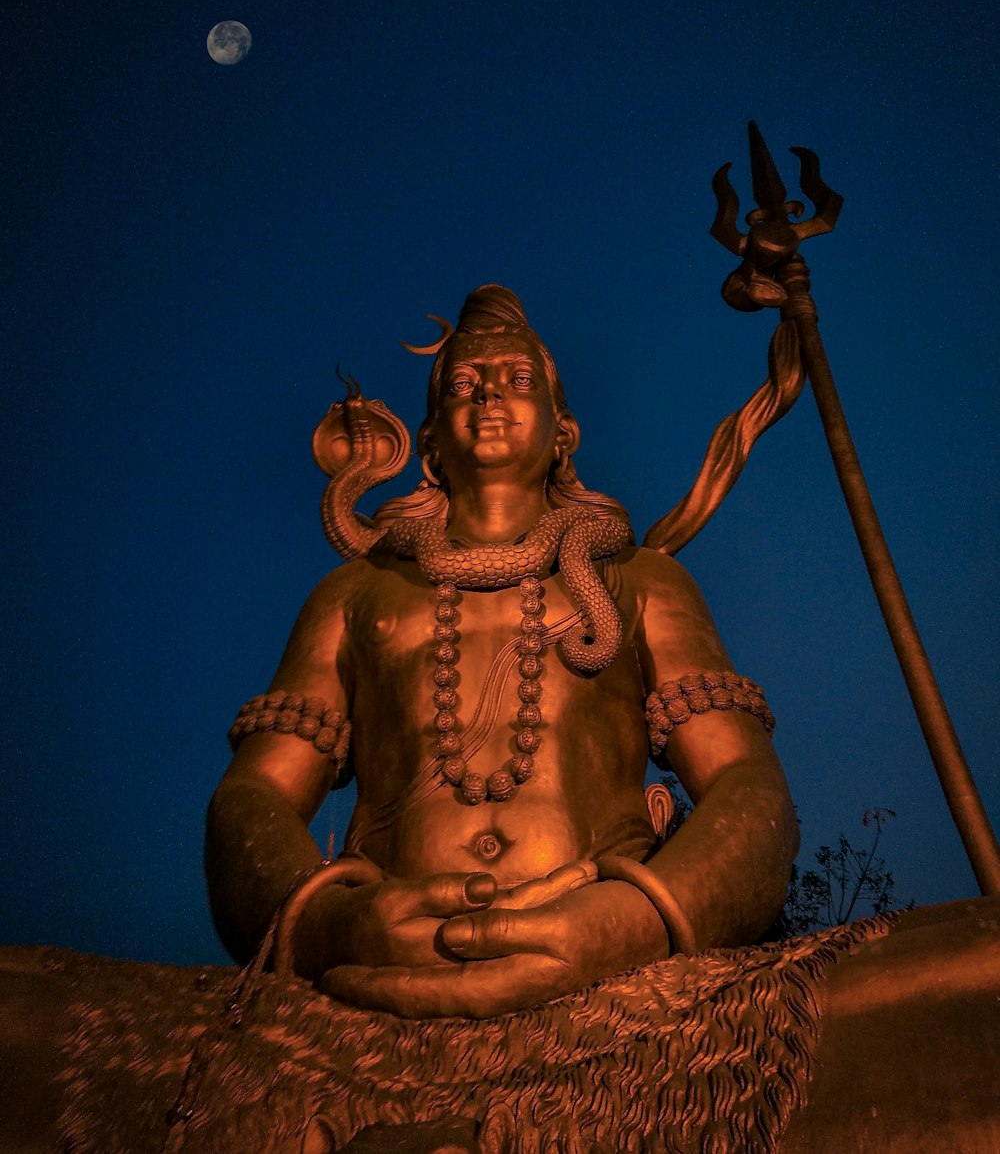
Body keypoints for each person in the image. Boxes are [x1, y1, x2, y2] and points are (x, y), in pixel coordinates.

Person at [205, 284, 798, 1020]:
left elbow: (750, 789)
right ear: (426, 445)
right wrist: (331, 923)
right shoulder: (354, 596)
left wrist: (635, 920)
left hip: (611, 968)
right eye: (462, 383)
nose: (488, 394)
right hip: (383, 975)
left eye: (518, 380)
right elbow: (251, 798)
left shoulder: (640, 583)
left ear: (563, 433)